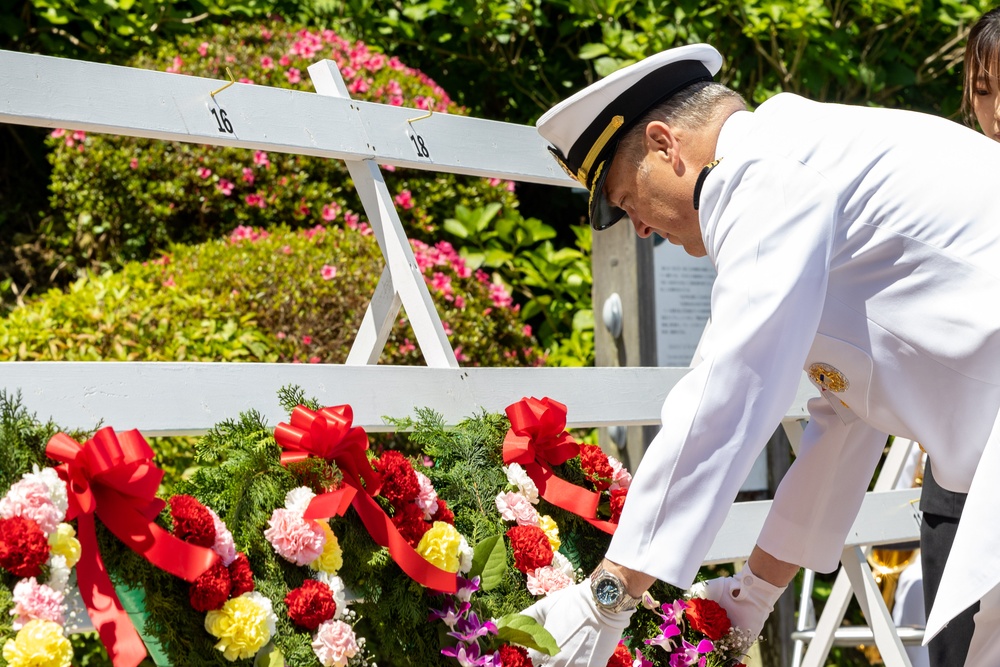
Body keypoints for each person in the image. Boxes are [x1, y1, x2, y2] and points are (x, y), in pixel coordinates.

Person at [522, 43, 1000, 666]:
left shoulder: (759, 171)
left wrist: (609, 597)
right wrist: (755, 592)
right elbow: (847, 414)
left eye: (622, 198)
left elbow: (732, 382)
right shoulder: (803, 158)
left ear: (666, 146)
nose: (638, 228)